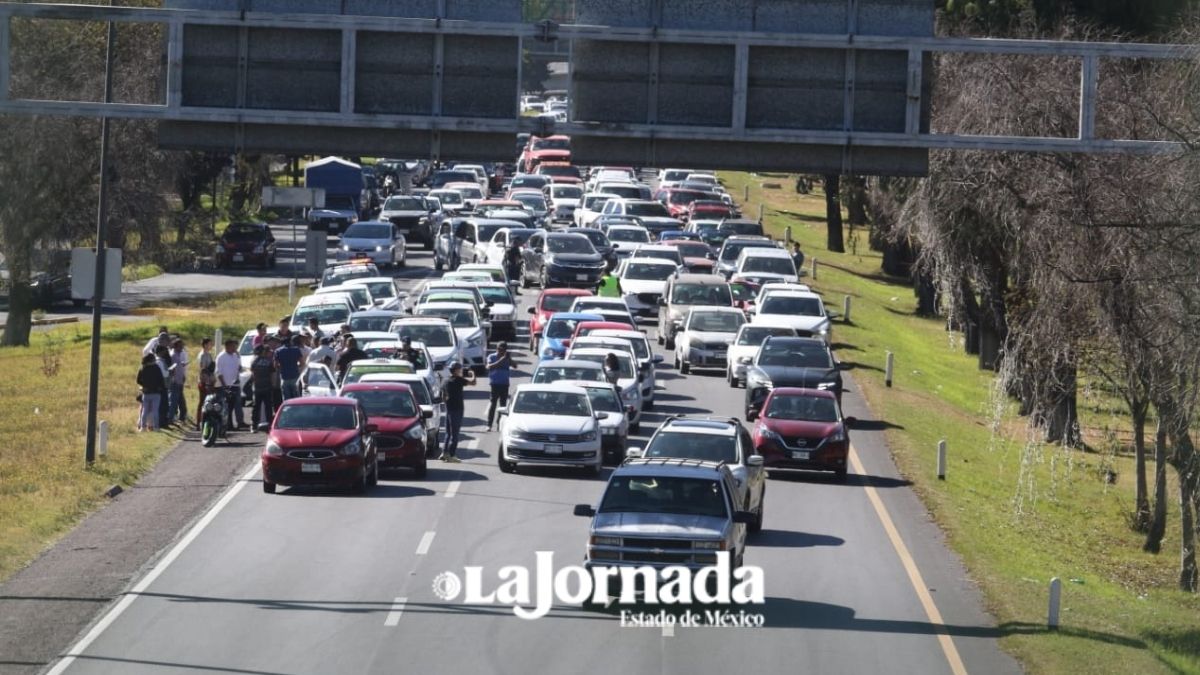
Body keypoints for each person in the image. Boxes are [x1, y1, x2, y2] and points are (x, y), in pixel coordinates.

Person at [441, 362, 475, 462]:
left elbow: (443, 396)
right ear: (455, 370)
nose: (461, 370)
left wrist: (447, 402)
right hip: (457, 410)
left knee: (448, 433)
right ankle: (452, 455)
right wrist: (473, 373)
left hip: (449, 409)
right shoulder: (459, 380)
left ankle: (444, 453)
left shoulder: (445, 380)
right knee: (455, 434)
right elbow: (473, 382)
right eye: (459, 369)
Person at [215, 339, 246, 429]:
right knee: (226, 406)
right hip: (225, 385)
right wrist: (224, 385)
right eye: (233, 346)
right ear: (227, 346)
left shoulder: (235, 356)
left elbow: (238, 368)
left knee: (238, 404)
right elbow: (218, 372)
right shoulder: (221, 357)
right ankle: (228, 424)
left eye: (235, 346)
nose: (235, 348)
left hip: (235, 384)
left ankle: (240, 422)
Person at [484, 342, 512, 431]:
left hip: (504, 384)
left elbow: (515, 366)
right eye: (499, 349)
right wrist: (501, 360)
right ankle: (489, 424)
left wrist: (509, 359)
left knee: (503, 406)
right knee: (493, 404)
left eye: (502, 350)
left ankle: (499, 424)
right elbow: (489, 367)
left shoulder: (507, 358)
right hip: (495, 384)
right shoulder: (491, 356)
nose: (500, 351)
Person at [136, 353, 166, 432]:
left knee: (145, 410)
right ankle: (156, 427)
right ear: (152, 359)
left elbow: (138, 380)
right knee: (155, 410)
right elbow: (161, 379)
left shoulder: (143, 368)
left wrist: (144, 385)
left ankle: (143, 427)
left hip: (146, 392)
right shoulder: (156, 368)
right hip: (156, 392)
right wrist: (161, 388)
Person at [249, 344, 276, 429]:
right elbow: (272, 374)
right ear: (264, 351)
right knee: (268, 407)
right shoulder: (269, 361)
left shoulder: (255, 360)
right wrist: (272, 384)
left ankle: (254, 425)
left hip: (257, 387)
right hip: (267, 386)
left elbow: (252, 372)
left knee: (256, 407)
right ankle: (270, 424)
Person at [274, 334, 304, 400]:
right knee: (296, 397)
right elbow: (302, 363)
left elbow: (275, 365)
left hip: (284, 377)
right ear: (290, 341)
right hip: (295, 376)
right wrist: (296, 365)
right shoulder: (296, 349)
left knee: (286, 398)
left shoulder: (278, 351)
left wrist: (282, 366)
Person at [168, 339, 190, 426]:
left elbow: (178, 367)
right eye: (180, 346)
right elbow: (172, 369)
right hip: (175, 383)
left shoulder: (177, 355)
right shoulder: (173, 355)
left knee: (181, 403)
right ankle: (170, 419)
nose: (182, 348)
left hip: (180, 382)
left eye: (182, 346)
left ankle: (182, 418)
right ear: (175, 346)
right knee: (173, 402)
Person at [155, 345, 173, 430]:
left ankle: (163, 422)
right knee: (163, 405)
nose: (165, 353)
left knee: (164, 405)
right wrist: (169, 371)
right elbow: (164, 374)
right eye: (163, 351)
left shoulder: (161, 361)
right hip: (162, 386)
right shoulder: (159, 362)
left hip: (163, 385)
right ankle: (162, 423)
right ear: (159, 352)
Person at [195, 362, 217, 432]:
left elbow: (214, 382)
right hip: (203, 391)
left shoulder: (213, 373)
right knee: (201, 405)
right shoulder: (203, 371)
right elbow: (201, 382)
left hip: (210, 391)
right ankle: (198, 423)